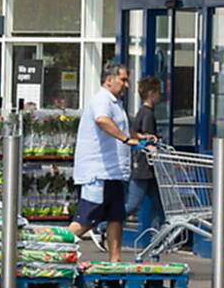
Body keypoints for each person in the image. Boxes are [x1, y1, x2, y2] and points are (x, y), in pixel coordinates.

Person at [69, 62, 149, 263]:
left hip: (114, 173)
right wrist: (125, 139)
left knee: (116, 217)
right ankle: (53, 246)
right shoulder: (102, 100)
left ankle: (116, 260)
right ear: (109, 80)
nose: (126, 85)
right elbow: (103, 121)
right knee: (87, 220)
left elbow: (122, 128)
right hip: (97, 174)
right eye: (123, 80)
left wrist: (140, 138)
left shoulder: (116, 103)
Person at [122, 78, 164, 243]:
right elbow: (147, 140)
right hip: (144, 168)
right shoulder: (147, 114)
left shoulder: (143, 112)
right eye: (158, 93)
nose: (160, 96)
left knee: (160, 206)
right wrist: (155, 143)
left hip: (149, 169)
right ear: (151, 94)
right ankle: (104, 224)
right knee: (133, 204)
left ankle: (157, 238)